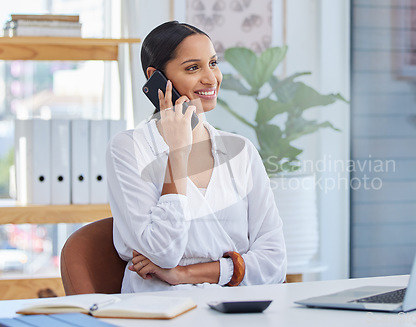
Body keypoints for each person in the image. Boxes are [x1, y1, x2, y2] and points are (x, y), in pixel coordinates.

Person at [106, 21, 287, 293]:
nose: (211, 78)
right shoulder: (129, 148)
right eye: (193, 68)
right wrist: (177, 155)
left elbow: (274, 262)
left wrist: (183, 273)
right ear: (157, 77)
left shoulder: (241, 151)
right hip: (161, 312)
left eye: (213, 63)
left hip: (237, 310)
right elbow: (161, 251)